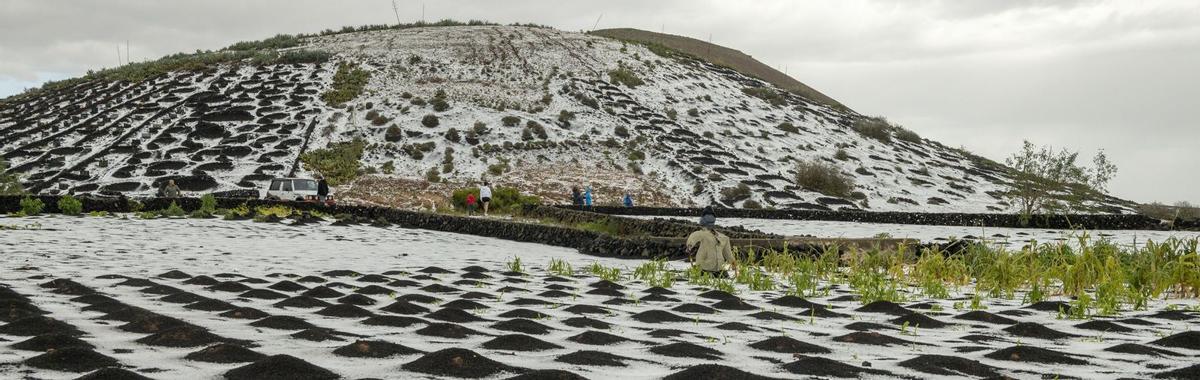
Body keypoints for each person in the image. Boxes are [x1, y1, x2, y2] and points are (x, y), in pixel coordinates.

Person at [686, 206, 735, 278]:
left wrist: (733, 262)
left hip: (715, 268)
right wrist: (690, 245)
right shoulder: (722, 238)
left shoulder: (723, 238)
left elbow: (694, 236)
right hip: (707, 268)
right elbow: (694, 237)